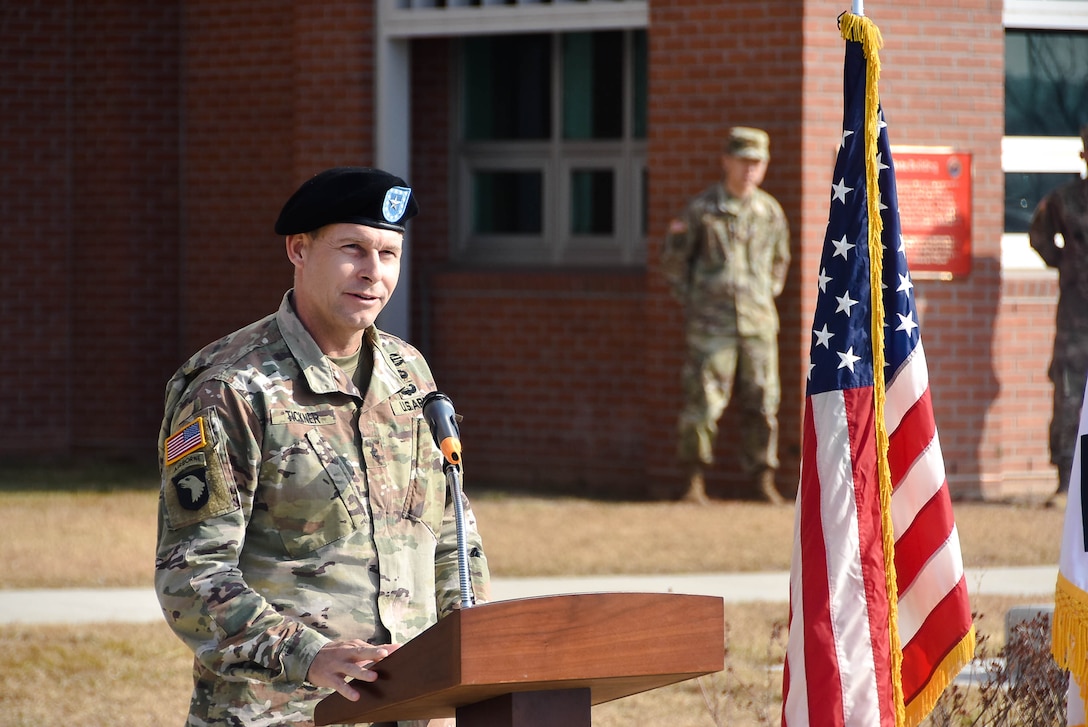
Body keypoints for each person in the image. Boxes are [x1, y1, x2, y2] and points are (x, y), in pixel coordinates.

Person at [154, 167, 490, 726]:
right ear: (298, 249)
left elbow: (453, 539)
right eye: (352, 249)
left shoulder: (407, 373)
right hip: (278, 711)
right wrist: (308, 656)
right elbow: (191, 575)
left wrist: (480, 654)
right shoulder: (231, 387)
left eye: (388, 254)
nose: (373, 273)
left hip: (408, 707)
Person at [661, 127, 791, 505]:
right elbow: (673, 263)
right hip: (710, 328)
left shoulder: (770, 213)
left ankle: (762, 479)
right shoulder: (701, 211)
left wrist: (765, 295)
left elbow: (780, 261)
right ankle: (694, 482)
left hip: (758, 326)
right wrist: (696, 303)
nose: (750, 169)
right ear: (726, 162)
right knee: (703, 402)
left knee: (764, 403)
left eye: (757, 162)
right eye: (743, 161)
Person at [1030, 124, 1088, 504]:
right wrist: (1067, 263)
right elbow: (1039, 236)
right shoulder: (1064, 200)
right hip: (1076, 313)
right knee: (1069, 391)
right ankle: (1067, 478)